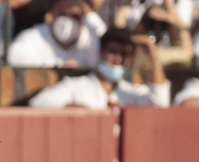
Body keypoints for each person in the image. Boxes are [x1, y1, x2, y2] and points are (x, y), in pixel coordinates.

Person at [28, 29, 170, 107]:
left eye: (124, 54)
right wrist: (73, 108)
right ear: (101, 53)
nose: (118, 59)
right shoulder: (76, 86)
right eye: (113, 52)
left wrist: (153, 54)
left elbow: (160, 103)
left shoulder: (132, 92)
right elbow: (38, 103)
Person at [5, 0, 107, 67]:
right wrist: (58, 64)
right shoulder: (35, 35)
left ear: (83, 18)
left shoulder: (92, 36)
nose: (68, 21)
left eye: (74, 16)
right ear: (51, 16)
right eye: (63, 15)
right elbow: (13, 56)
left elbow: (108, 47)